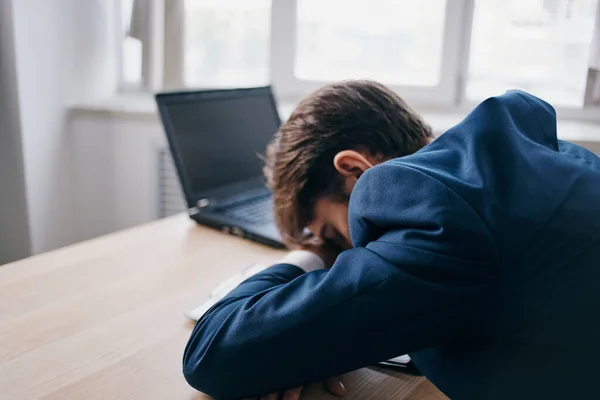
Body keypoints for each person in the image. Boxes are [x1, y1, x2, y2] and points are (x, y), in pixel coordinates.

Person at [182, 80, 600, 400]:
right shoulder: (526, 164)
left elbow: (214, 353)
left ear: (355, 171)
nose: (339, 255)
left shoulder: (439, 218)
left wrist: (304, 260)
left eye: (330, 235)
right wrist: (313, 340)